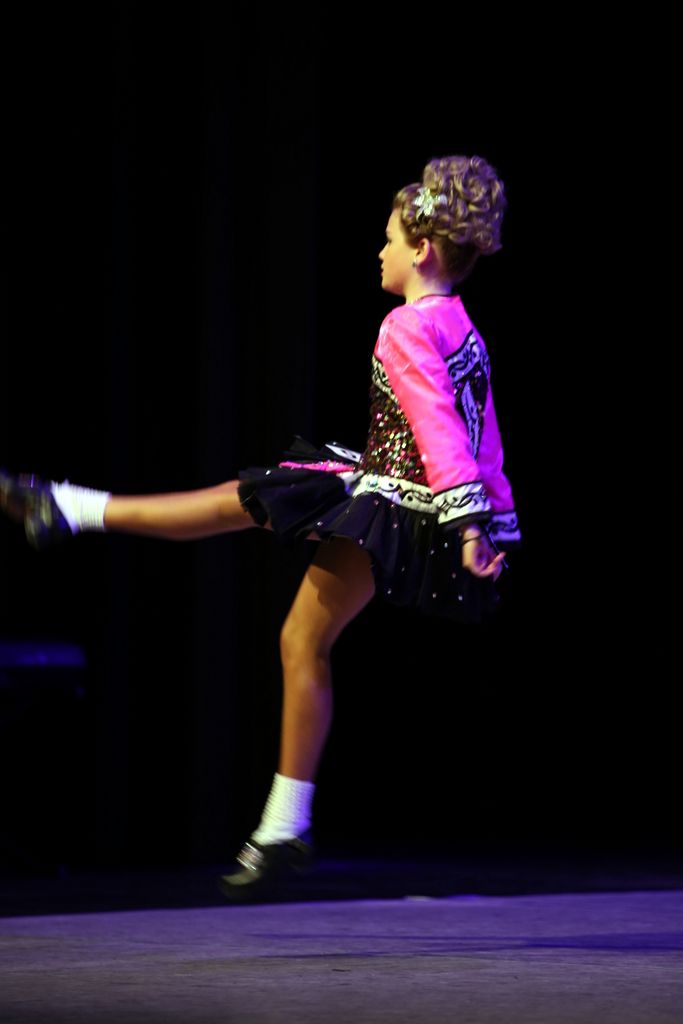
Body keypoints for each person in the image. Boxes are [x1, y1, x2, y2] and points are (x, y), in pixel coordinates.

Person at [0, 153, 521, 901]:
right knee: (241, 500)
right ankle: (70, 507)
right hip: (405, 495)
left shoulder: (405, 327)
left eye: (387, 240)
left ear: (422, 252)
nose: (378, 251)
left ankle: (283, 828)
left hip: (401, 505)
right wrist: (491, 518)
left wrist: (472, 523)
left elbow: (445, 429)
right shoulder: (460, 325)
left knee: (300, 639)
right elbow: (483, 434)